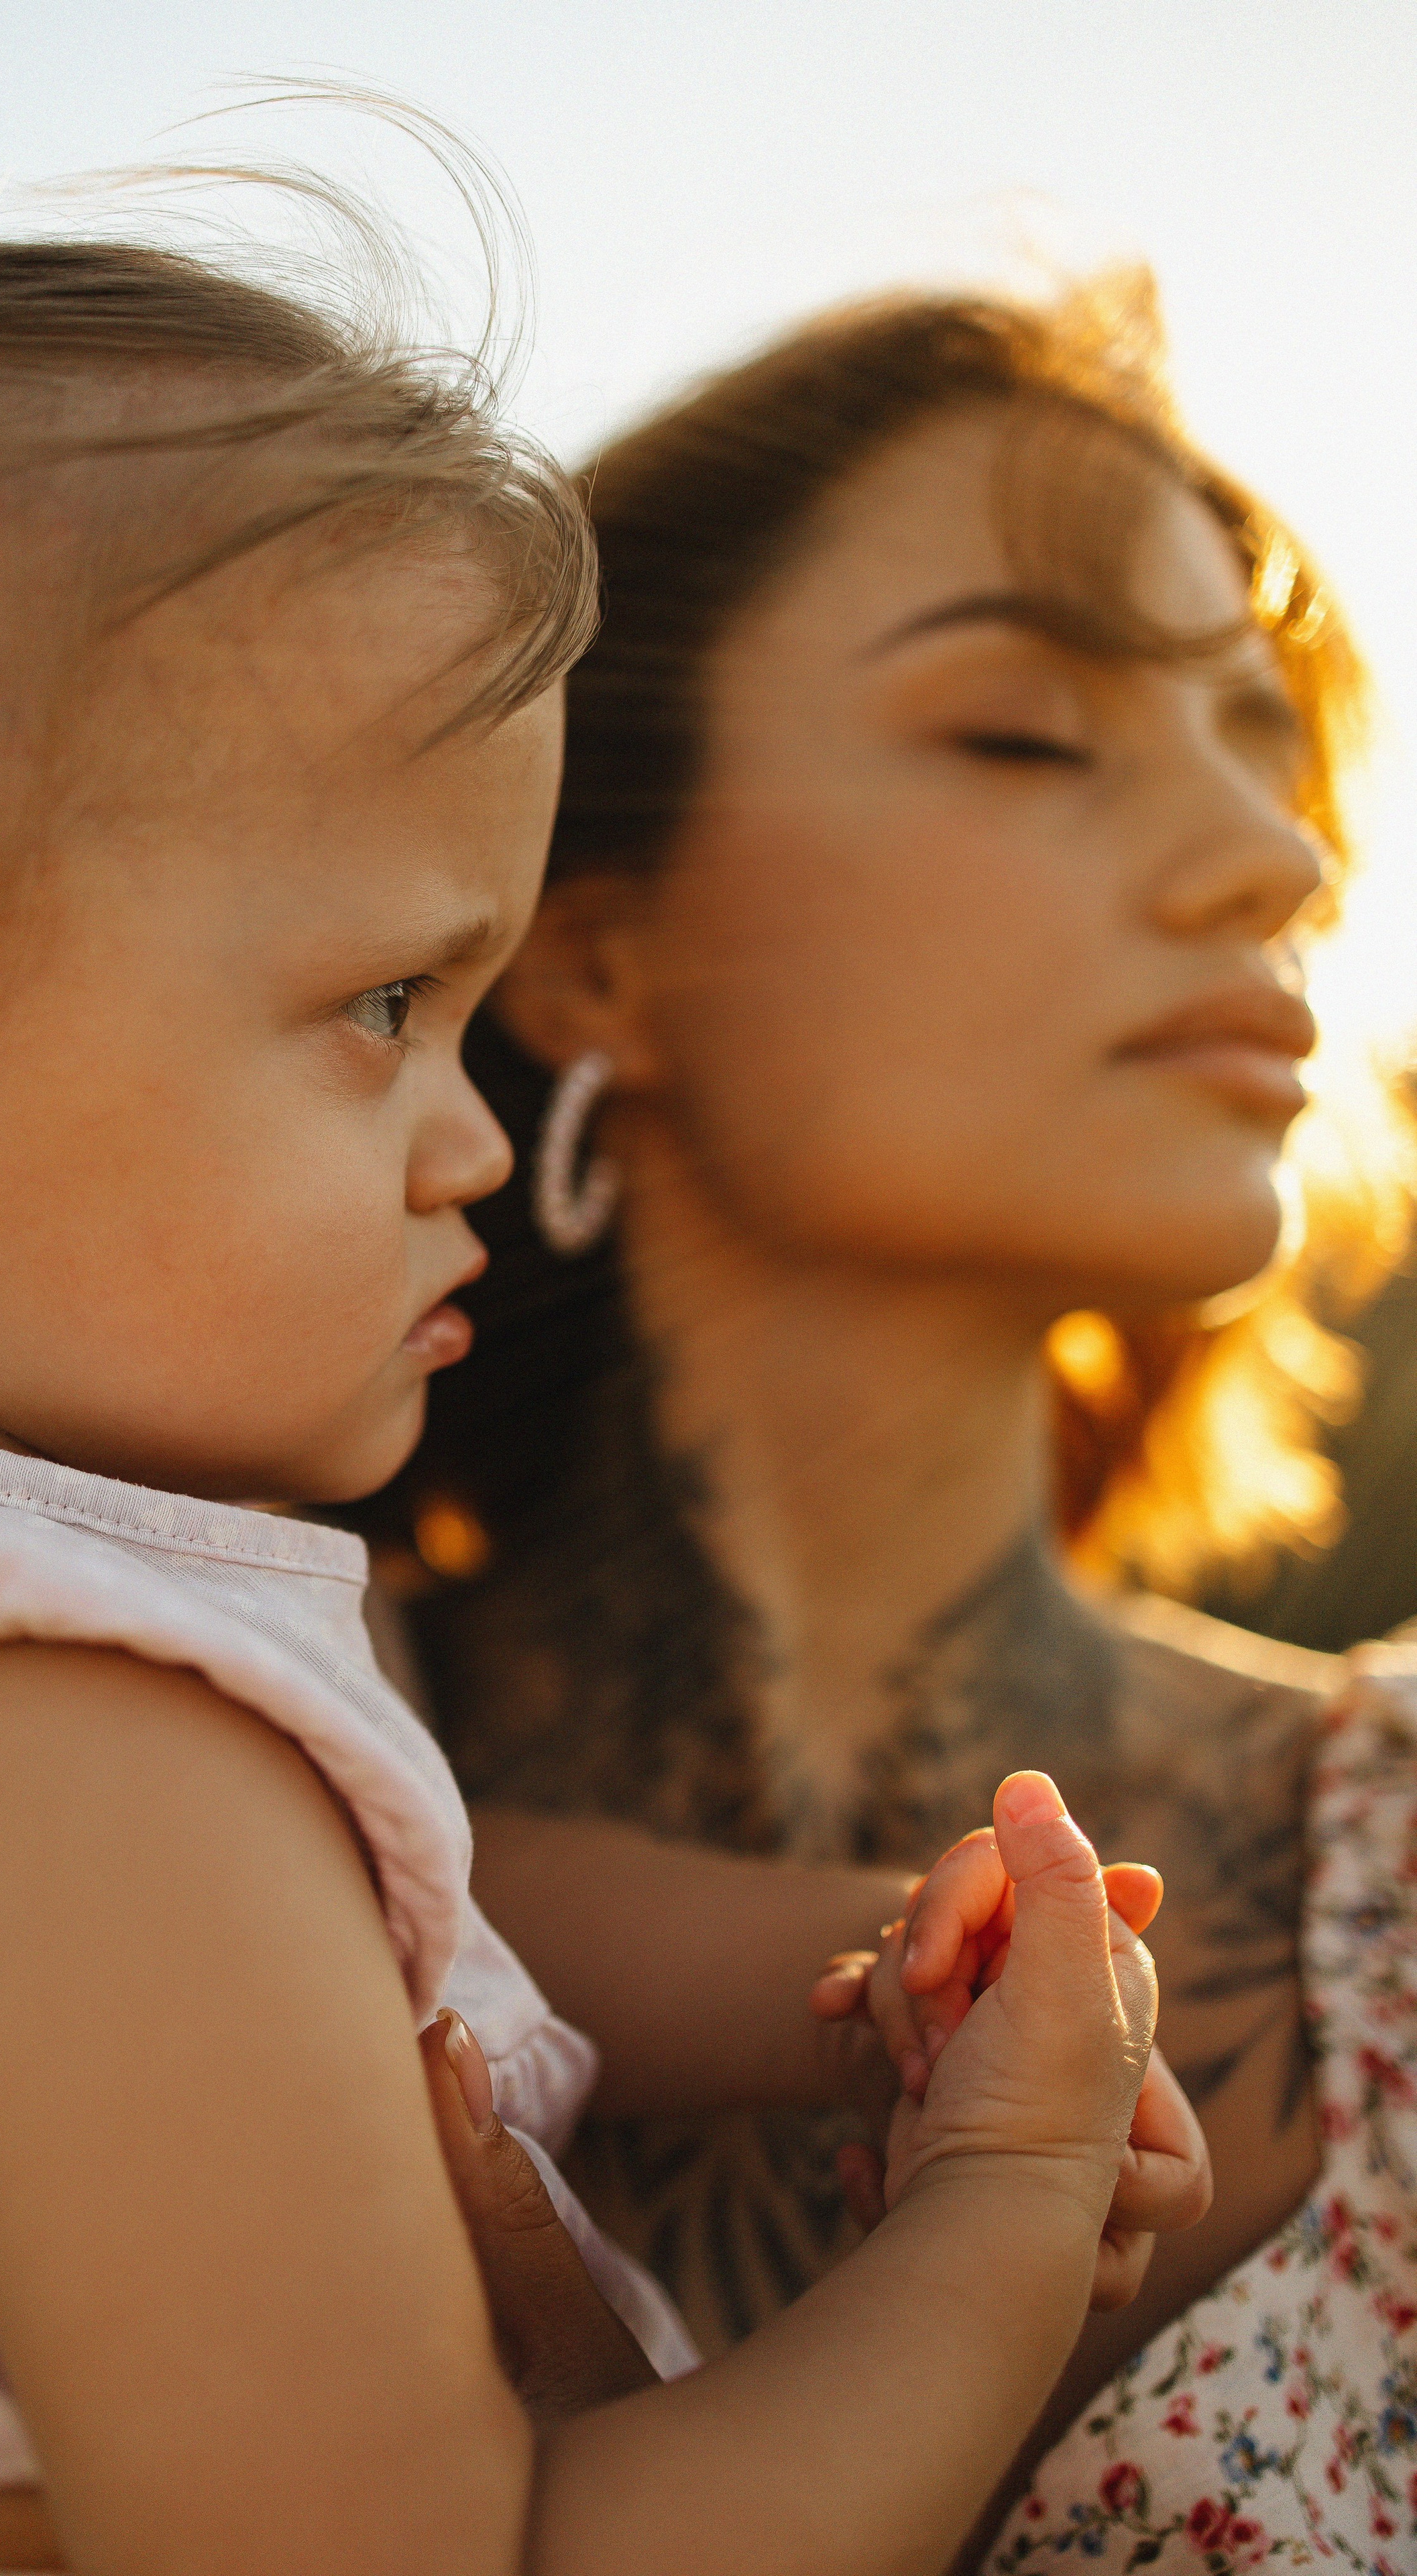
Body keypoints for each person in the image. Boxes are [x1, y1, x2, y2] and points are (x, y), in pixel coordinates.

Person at [0, 219, 1190, 2576]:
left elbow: (435, 1915)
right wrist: (1002, 2207)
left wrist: (839, 1985)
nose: (478, 1134)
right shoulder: (66, 1764)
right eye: (389, 1000)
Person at [349, 277, 1417, 2561]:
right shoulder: (90, 1727)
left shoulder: (1396, 1880)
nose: (1283, 863)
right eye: (1032, 729)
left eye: (1270, 745)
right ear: (592, 944)